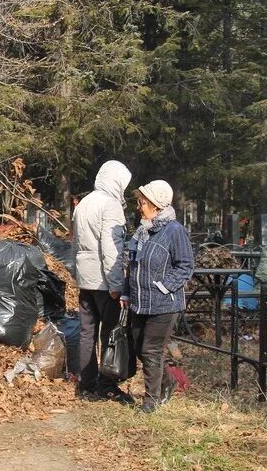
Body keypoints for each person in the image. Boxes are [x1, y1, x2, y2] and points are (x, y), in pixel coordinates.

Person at [120, 180, 194, 413]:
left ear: (156, 205)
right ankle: (168, 383)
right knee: (141, 349)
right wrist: (126, 292)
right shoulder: (143, 231)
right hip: (139, 302)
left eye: (142, 202)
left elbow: (185, 266)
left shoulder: (175, 231)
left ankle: (151, 400)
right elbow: (132, 266)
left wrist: (164, 287)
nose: (138, 206)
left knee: (151, 350)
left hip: (164, 304)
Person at [71, 160, 133, 402]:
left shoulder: (84, 203)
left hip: (85, 278)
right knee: (109, 332)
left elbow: (75, 244)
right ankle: (107, 384)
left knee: (87, 332)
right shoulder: (111, 206)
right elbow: (112, 249)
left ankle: (86, 384)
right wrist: (116, 284)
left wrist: (78, 274)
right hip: (104, 281)